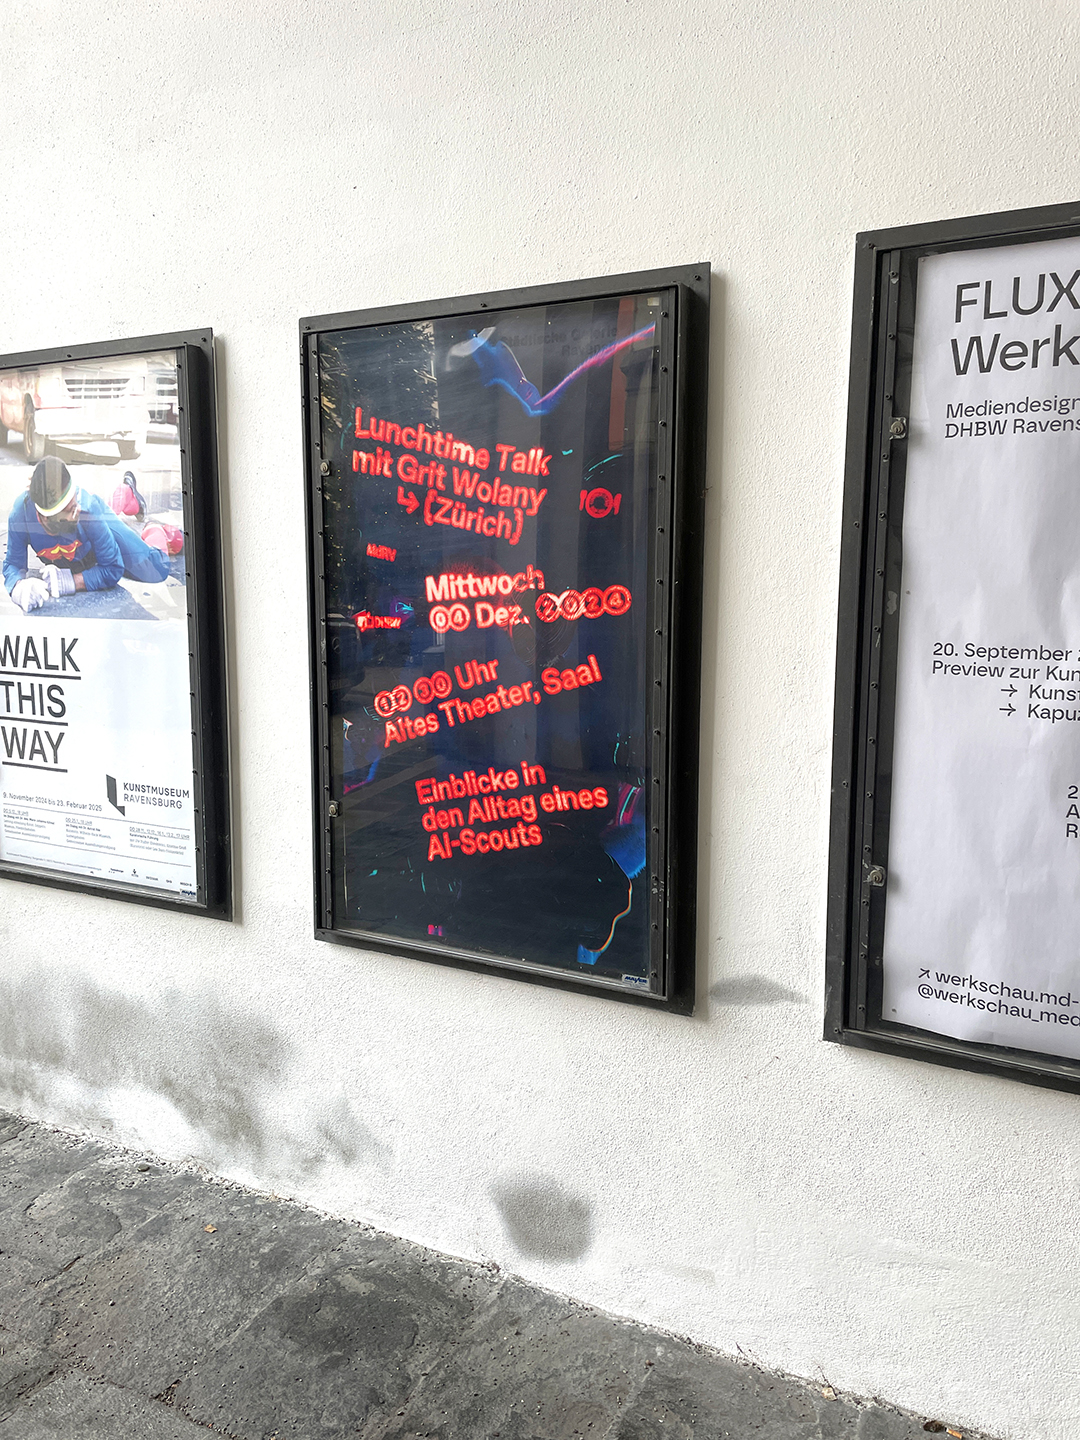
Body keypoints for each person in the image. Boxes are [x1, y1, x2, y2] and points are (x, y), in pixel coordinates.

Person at [3, 457, 174, 613]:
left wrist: (72, 581)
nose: (76, 511)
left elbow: (113, 568)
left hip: (95, 523)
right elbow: (12, 564)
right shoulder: (20, 514)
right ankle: (125, 496)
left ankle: (155, 529)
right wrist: (18, 587)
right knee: (95, 526)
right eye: (69, 511)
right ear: (45, 519)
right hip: (87, 537)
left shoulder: (86, 509)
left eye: (74, 502)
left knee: (156, 569)